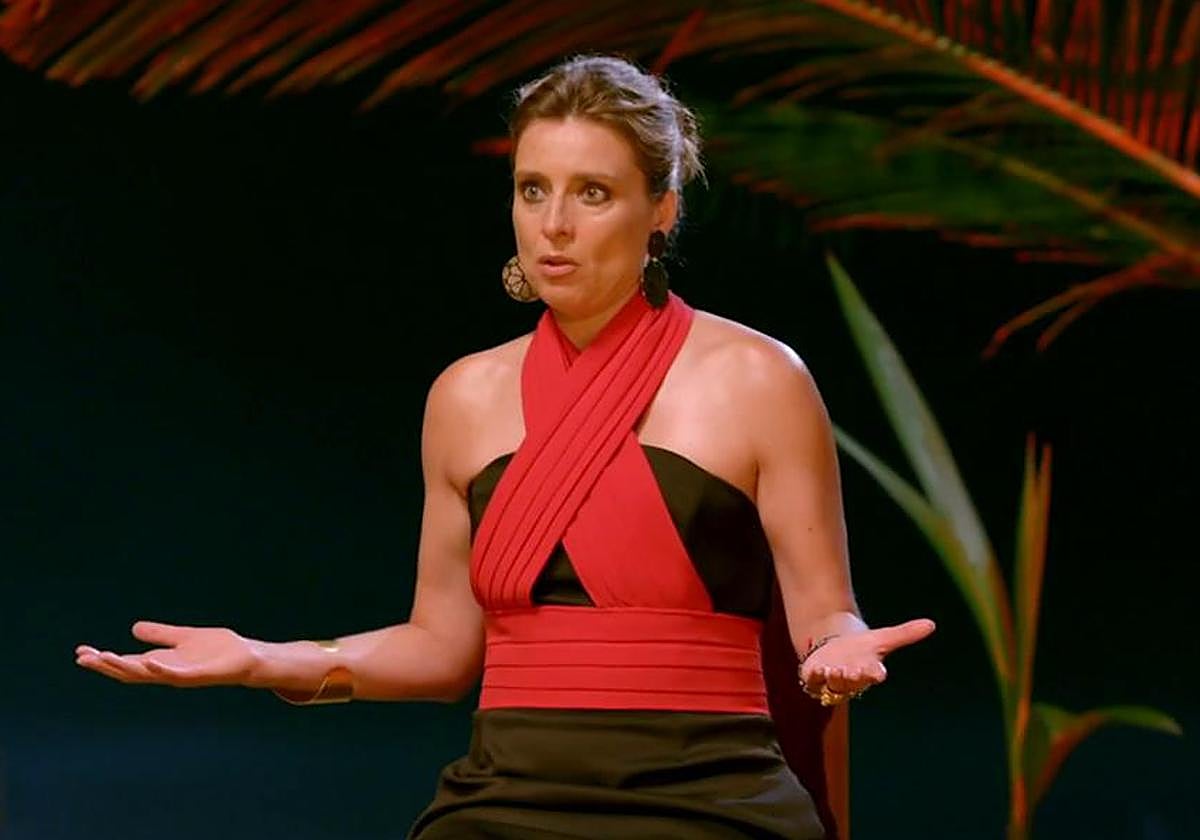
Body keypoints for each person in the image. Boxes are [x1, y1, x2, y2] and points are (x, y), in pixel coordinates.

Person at [75, 54, 935, 839]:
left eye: (592, 193)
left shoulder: (759, 378)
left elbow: (825, 613)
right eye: (532, 190)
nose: (553, 224)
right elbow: (442, 648)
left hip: (710, 799)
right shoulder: (464, 396)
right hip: (504, 800)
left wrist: (836, 651)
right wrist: (263, 659)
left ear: (662, 209)